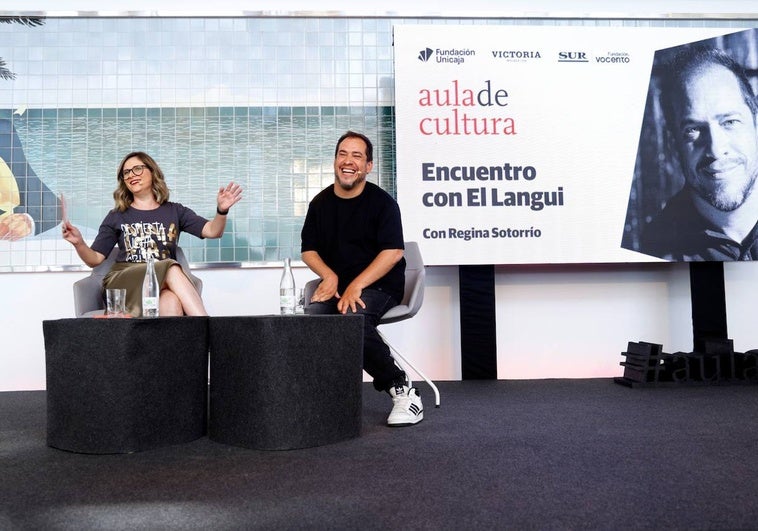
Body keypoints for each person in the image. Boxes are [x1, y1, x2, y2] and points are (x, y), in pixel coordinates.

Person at [301, 131, 423, 427]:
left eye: (357, 156)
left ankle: (403, 390)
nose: (348, 161)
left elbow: (393, 253)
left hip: (380, 285)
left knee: (351, 315)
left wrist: (355, 284)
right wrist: (328, 275)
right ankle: (331, 399)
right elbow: (308, 250)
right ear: (335, 161)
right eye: (343, 154)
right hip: (339, 285)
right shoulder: (320, 203)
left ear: (368, 166)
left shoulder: (382, 204)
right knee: (314, 315)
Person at [62, 151, 242, 316]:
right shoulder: (116, 215)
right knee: (171, 267)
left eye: (137, 169)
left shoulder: (175, 211)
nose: (131, 175)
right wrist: (78, 243)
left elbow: (213, 231)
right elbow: (94, 259)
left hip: (159, 284)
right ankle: (208, 331)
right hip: (126, 282)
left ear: (152, 171)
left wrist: (221, 211)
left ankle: (171, 352)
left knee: (171, 301)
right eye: (126, 173)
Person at [638, 46, 758, 260]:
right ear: (672, 145)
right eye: (693, 130)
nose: (715, 149)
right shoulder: (655, 253)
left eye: (730, 122)